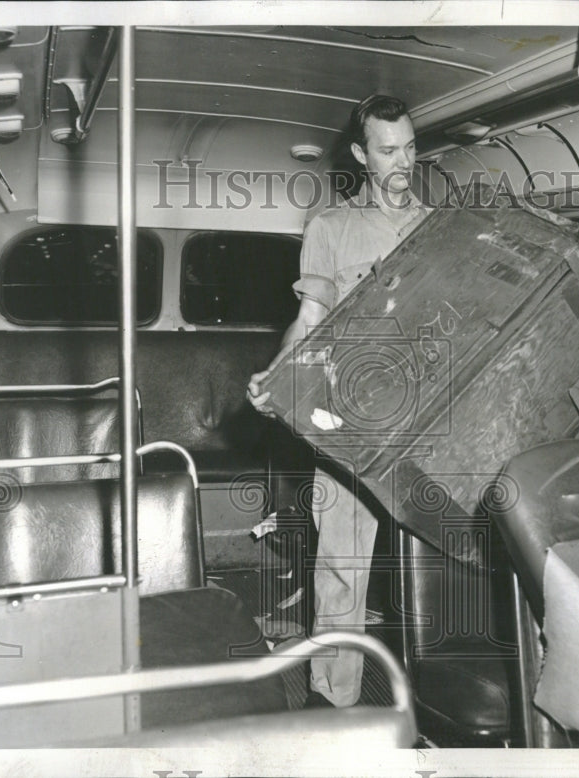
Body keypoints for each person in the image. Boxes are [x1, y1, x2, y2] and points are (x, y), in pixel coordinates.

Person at [247, 94, 430, 708]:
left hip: (429, 419)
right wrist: (276, 376)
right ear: (361, 155)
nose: (402, 161)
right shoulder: (329, 229)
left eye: (409, 147)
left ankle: (444, 700)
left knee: (456, 559)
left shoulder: (440, 227)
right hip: (351, 419)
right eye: (388, 150)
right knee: (343, 569)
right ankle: (336, 703)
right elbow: (309, 319)